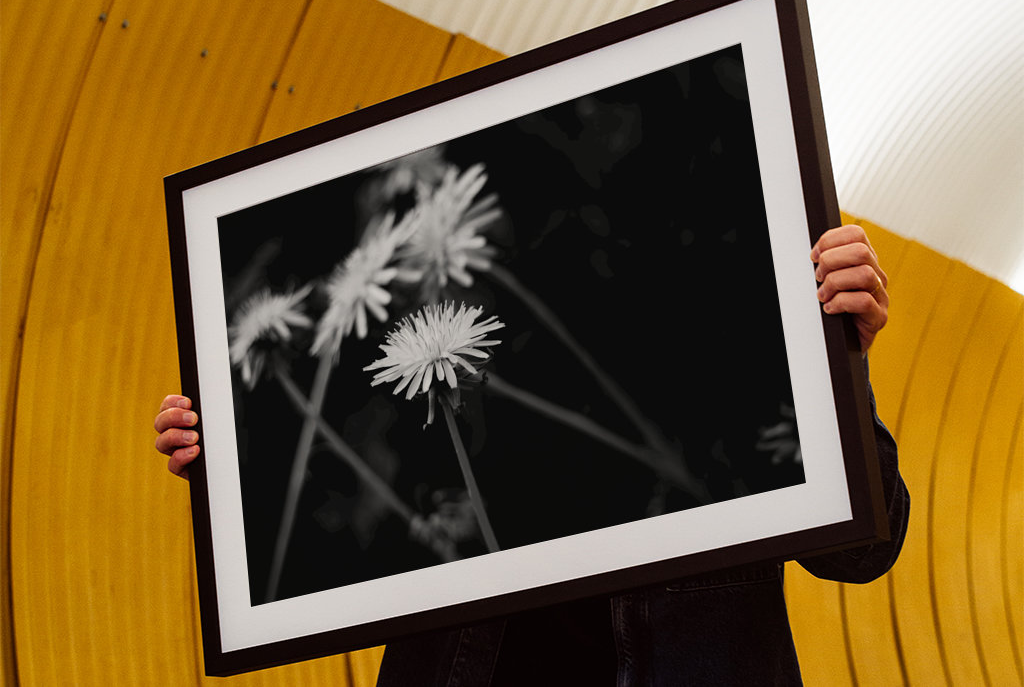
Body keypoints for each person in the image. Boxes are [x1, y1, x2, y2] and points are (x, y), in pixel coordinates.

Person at [155, 224, 909, 686]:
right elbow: (343, 547)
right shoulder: (463, 425)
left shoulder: (733, 378)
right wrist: (233, 464)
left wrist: (839, 362)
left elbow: (865, 550)